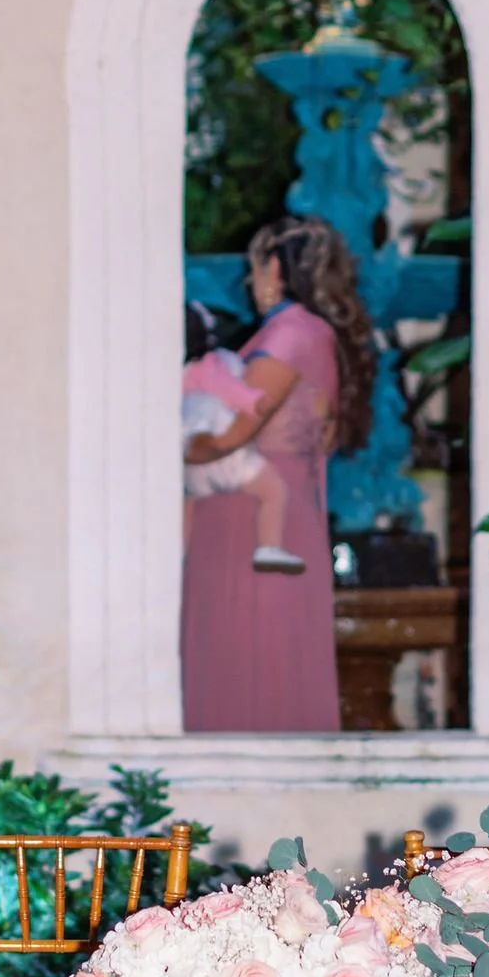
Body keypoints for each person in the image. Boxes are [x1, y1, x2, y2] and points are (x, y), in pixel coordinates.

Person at [180, 213, 376, 732]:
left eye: (254, 269)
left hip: (246, 515)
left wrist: (170, 451)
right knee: (269, 661)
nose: (250, 283)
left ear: (273, 267)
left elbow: (232, 435)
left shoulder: (289, 334)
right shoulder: (316, 335)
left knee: (247, 661)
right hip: (283, 508)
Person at [181, 303, 305, 574]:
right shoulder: (212, 366)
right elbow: (231, 390)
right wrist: (257, 402)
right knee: (274, 491)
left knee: (188, 502)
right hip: (225, 456)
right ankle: (269, 546)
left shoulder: (178, 374)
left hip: (190, 459)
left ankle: (180, 552)